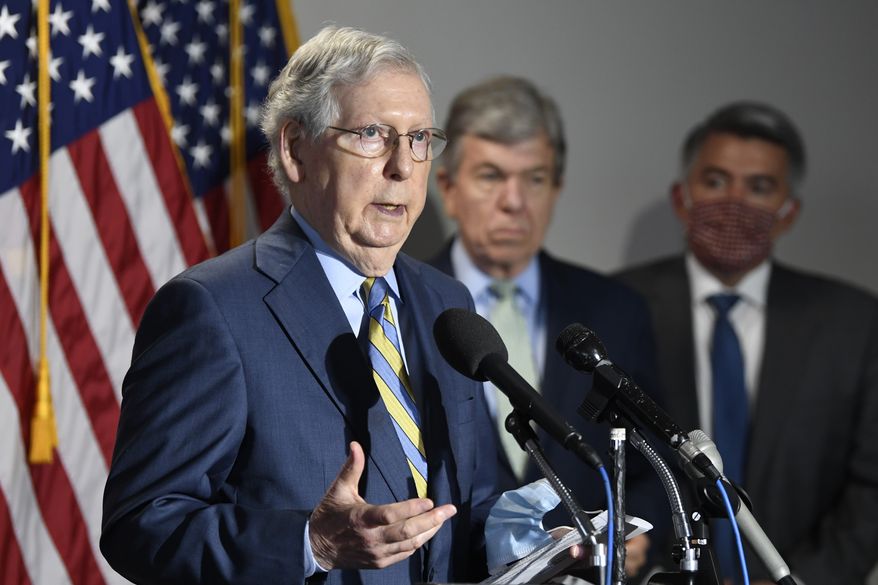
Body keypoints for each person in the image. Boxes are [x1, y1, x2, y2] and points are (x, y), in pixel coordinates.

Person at [101, 26, 501, 584]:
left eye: (419, 139)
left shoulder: (447, 305)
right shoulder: (211, 309)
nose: (404, 168)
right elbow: (142, 525)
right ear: (294, 150)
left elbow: (468, 503)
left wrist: (539, 542)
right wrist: (311, 543)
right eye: (371, 134)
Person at [616, 101, 878, 584]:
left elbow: (870, 492)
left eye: (760, 187)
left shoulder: (854, 324)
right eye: (716, 182)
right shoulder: (615, 304)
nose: (735, 202)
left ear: (789, 212)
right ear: (682, 197)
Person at [428, 75, 664, 576]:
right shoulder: (400, 308)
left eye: (534, 179)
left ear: (556, 189)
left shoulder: (617, 310)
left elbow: (653, 464)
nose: (514, 202)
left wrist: (639, 531)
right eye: (491, 176)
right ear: (447, 188)